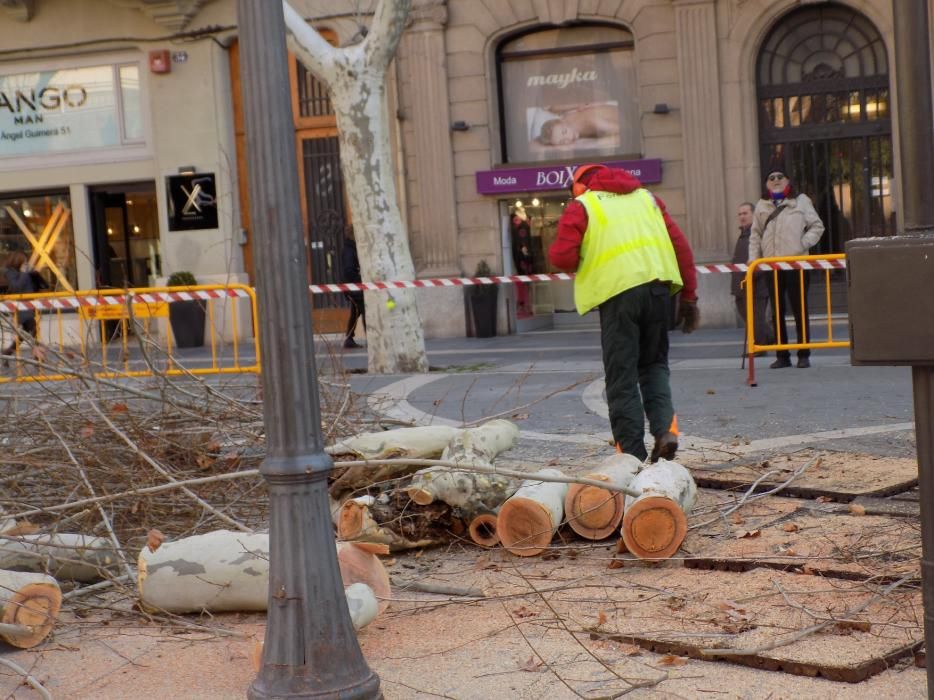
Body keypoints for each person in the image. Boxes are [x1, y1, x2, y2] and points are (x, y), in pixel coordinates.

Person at [548, 164, 699, 463]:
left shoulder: (584, 205)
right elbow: (681, 247)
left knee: (622, 377)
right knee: (654, 366)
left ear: (579, 185)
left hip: (618, 297)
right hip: (658, 292)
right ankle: (665, 432)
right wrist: (689, 297)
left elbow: (561, 257)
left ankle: (630, 457)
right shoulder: (648, 199)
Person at [748, 170, 825, 369]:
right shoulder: (762, 205)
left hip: (796, 264)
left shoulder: (801, 200)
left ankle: (803, 353)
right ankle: (782, 355)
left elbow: (817, 226)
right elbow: (755, 234)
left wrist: (802, 244)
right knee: (777, 311)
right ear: (766, 183)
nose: (776, 181)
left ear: (788, 180)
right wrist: (753, 260)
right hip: (771, 264)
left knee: (799, 309)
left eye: (780, 177)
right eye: (771, 178)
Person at [731, 202, 773, 355]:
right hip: (740, 285)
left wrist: (752, 275)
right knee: (748, 318)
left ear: (753, 215)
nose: (742, 216)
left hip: (756, 285)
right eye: (740, 214)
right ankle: (769, 337)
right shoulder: (742, 235)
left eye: (745, 213)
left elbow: (763, 258)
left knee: (756, 317)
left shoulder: (758, 235)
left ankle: (759, 346)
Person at [1, 250, 47, 364]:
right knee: (33, 330)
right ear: (17, 262)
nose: (26, 264)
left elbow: (41, 285)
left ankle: (7, 353)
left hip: (29, 305)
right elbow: (16, 287)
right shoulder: (10, 272)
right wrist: (24, 273)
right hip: (21, 307)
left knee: (26, 333)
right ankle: (38, 357)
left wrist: (35, 275)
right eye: (24, 262)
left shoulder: (23, 272)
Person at [536, 102, 620, 146]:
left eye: (564, 132)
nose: (568, 138)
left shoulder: (590, 121)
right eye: (562, 141)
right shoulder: (565, 120)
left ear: (562, 121)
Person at [341, 227, 365, 349]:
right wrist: (361, 278)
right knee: (365, 311)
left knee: (356, 312)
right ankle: (371, 338)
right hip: (354, 287)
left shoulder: (352, 248)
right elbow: (349, 270)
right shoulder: (349, 250)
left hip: (353, 287)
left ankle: (349, 339)